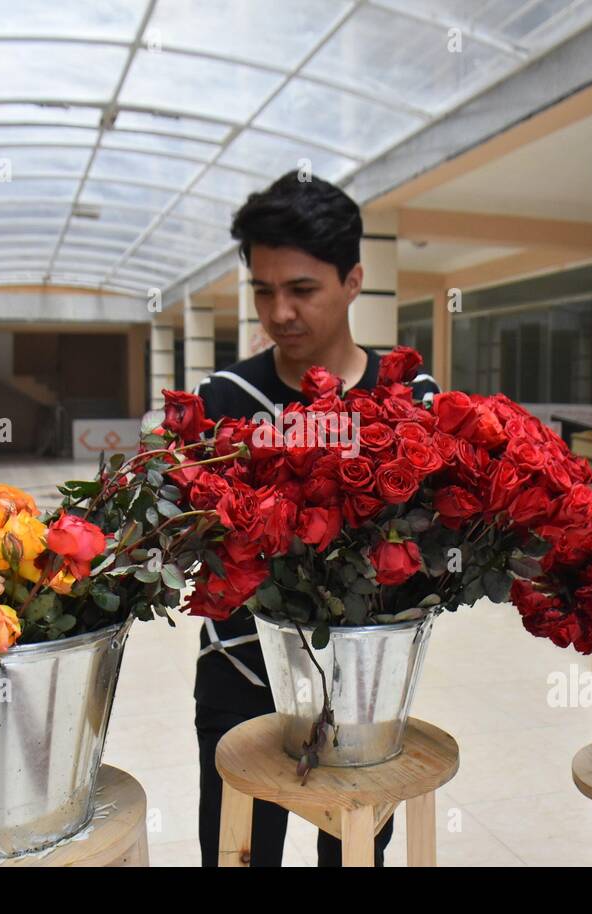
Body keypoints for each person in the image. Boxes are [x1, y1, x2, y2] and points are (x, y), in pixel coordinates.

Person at [194, 172, 440, 866]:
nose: (279, 312)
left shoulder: (409, 395)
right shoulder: (224, 400)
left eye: (301, 289)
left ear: (354, 278)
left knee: (354, 856)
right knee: (239, 856)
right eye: (264, 290)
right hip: (238, 671)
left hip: (364, 684)